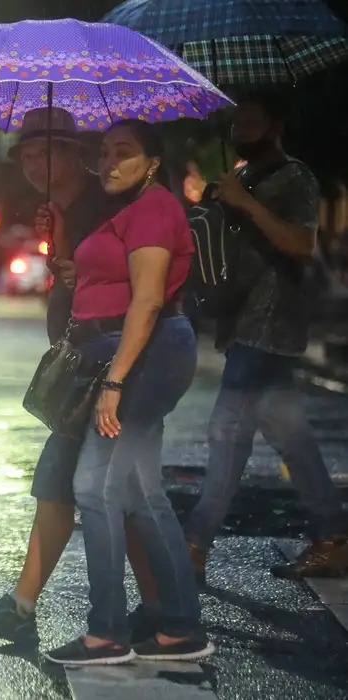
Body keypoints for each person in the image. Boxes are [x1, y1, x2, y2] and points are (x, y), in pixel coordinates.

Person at [0, 108, 161, 643]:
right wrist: (60, 244)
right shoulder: (65, 206)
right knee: (118, 488)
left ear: (73, 154)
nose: (32, 164)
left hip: (106, 361)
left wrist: (70, 259)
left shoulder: (106, 202)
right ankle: (163, 605)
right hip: (85, 356)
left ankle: (33, 610)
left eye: (44, 154)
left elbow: (119, 284)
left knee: (68, 480)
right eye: (25, 155)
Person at [43, 119, 212, 665]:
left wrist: (114, 380)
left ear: (153, 162)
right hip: (124, 352)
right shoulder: (121, 211)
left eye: (125, 152)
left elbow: (146, 302)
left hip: (147, 353)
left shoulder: (155, 208)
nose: (110, 162)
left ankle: (107, 633)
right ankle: (180, 626)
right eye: (105, 152)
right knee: (139, 490)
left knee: (94, 485)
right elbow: (101, 282)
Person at [184, 90, 348, 580]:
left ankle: (193, 545)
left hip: (269, 322)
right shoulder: (241, 177)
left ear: (276, 128)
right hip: (243, 323)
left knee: (226, 432)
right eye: (238, 124)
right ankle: (332, 537)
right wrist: (222, 203)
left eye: (252, 124)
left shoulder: (296, 177)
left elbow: (301, 243)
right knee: (291, 437)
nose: (241, 132)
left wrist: (246, 205)